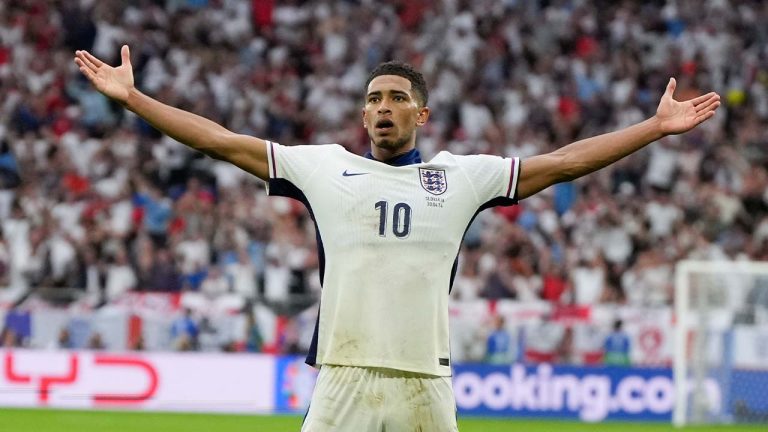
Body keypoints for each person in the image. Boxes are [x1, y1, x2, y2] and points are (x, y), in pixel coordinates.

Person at [74, 45, 720, 431]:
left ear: (421, 113)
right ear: (362, 113)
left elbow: (565, 162)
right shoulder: (323, 165)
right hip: (344, 374)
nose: (382, 106)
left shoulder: (464, 176)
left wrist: (652, 128)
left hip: (425, 380)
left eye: (396, 97)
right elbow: (216, 139)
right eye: (373, 98)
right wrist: (135, 101)